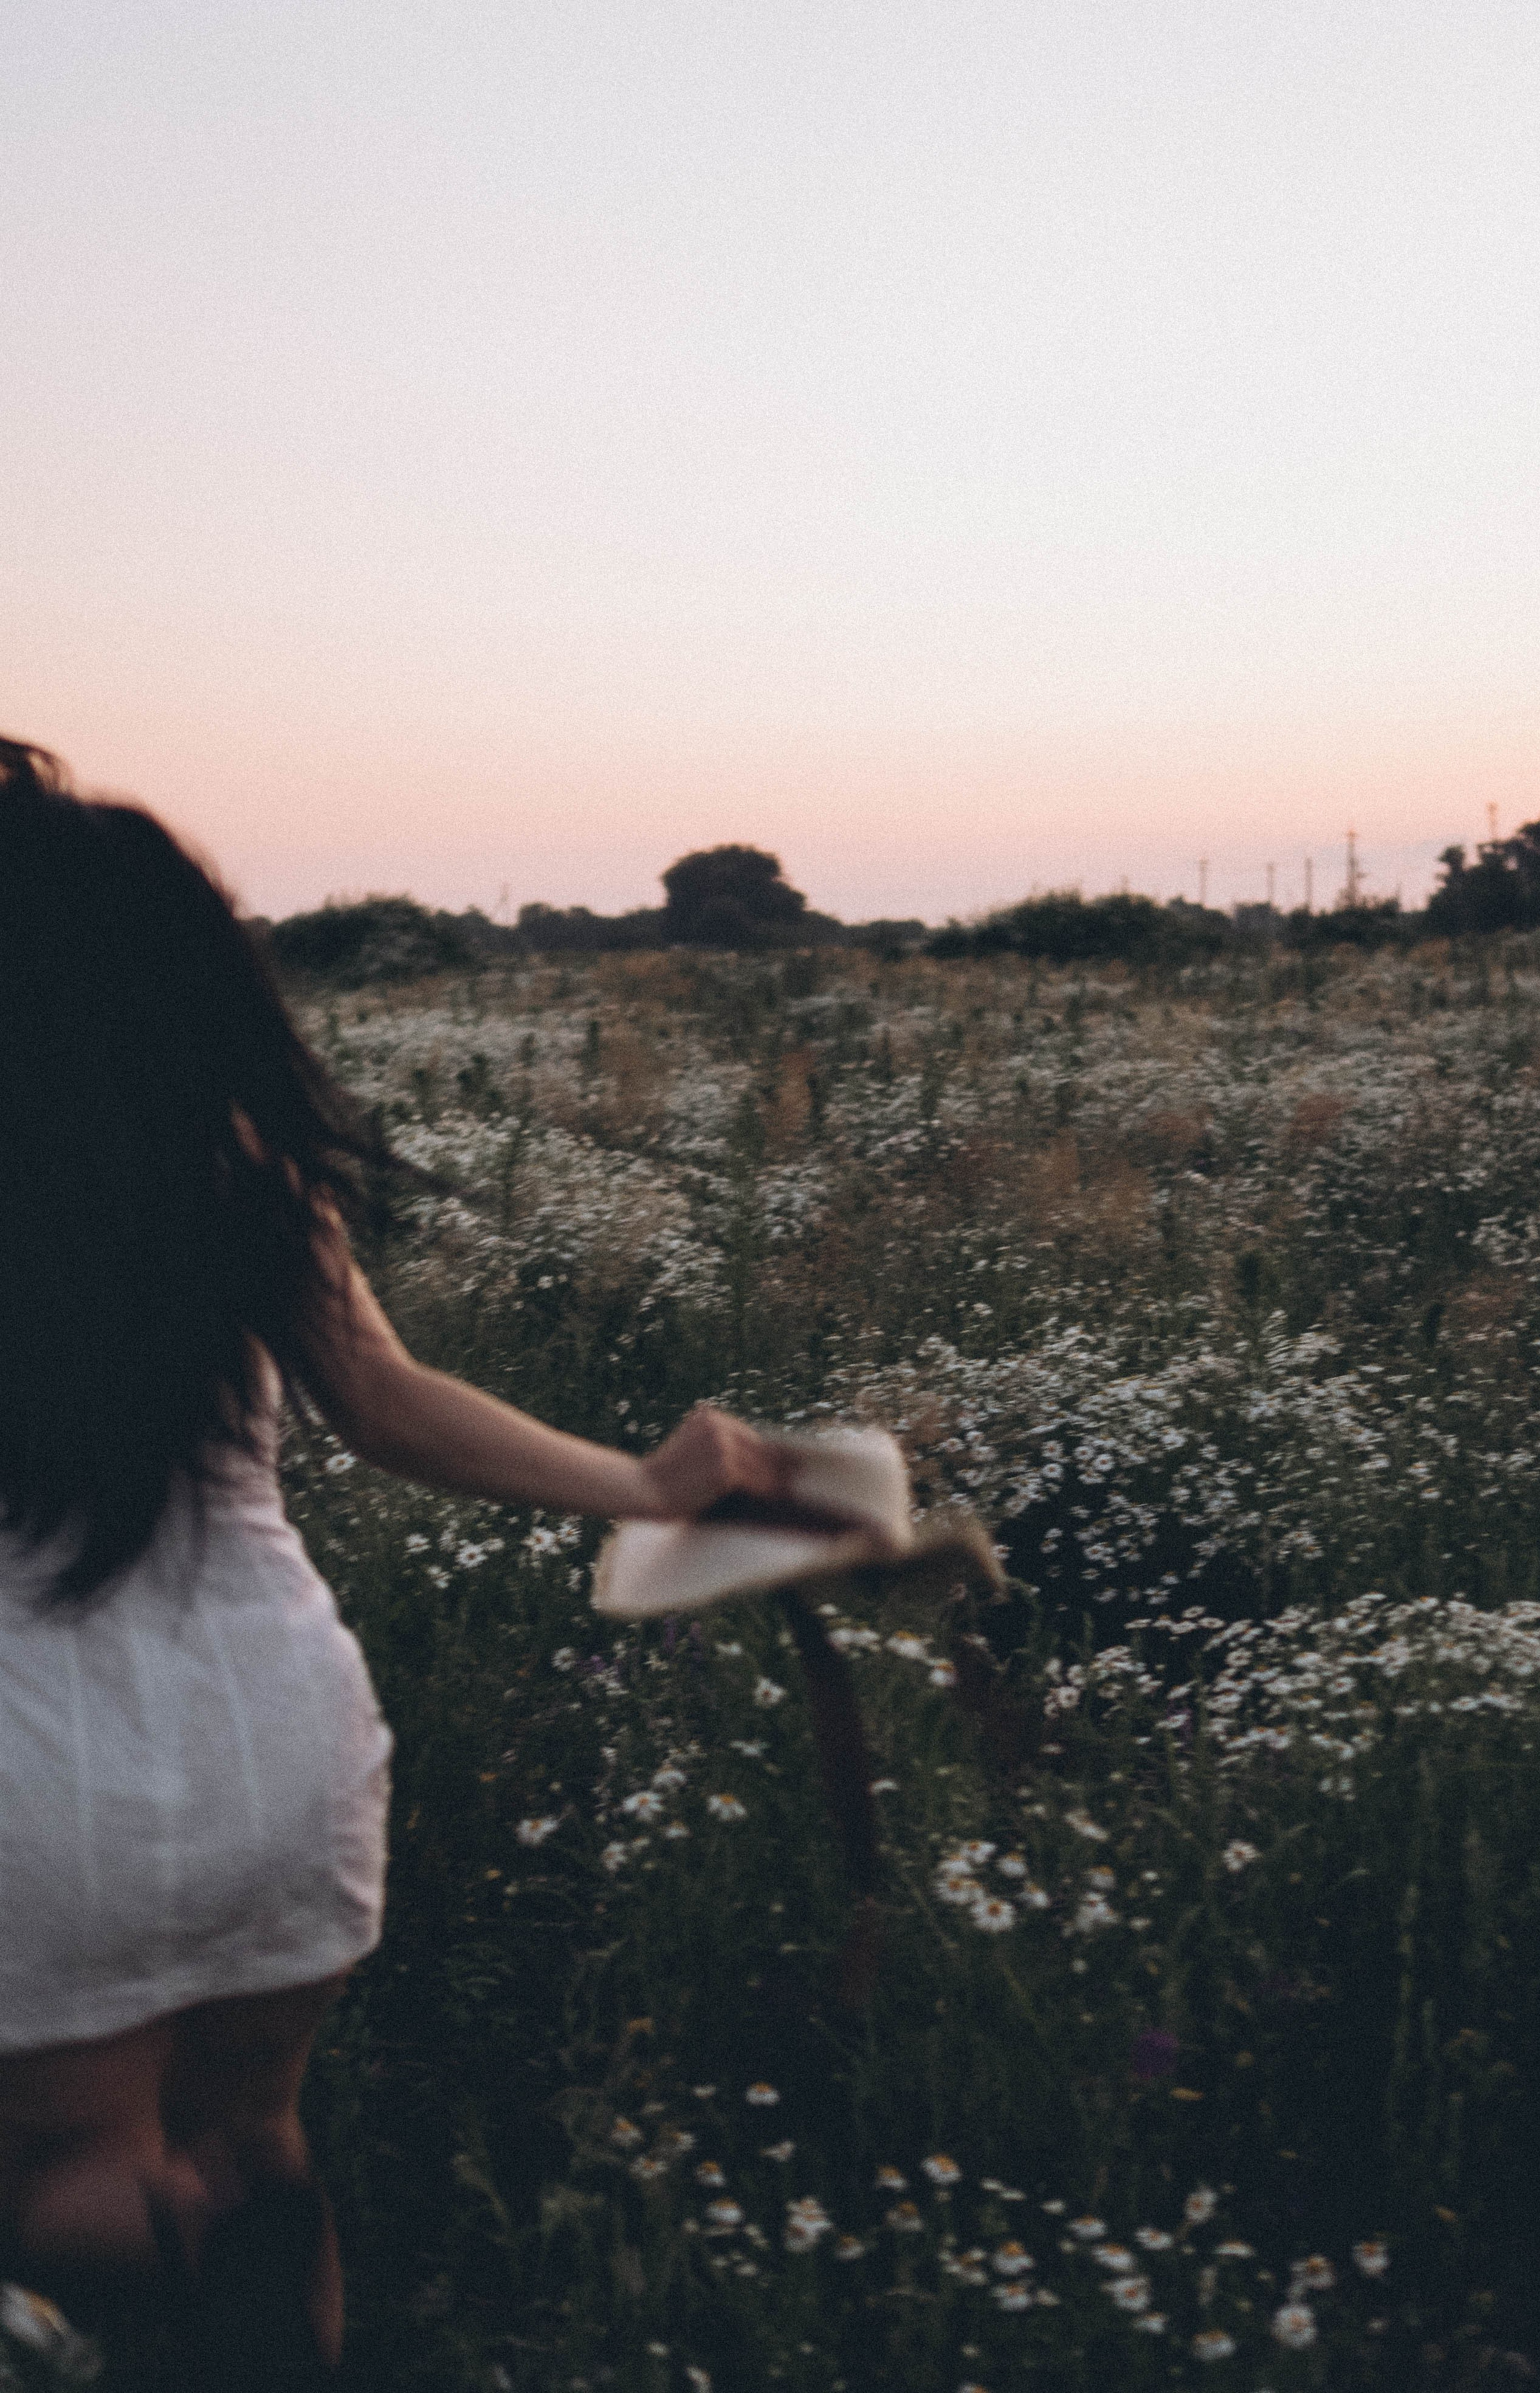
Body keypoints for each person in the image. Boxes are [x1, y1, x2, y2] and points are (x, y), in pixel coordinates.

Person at [0, 740, 787, 2386]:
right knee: (258, 2160)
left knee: (67, 2197)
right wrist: (643, 1488)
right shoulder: (238, 1164)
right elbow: (390, 1403)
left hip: (35, 1777)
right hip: (274, 1744)